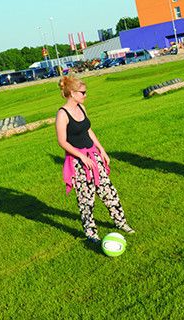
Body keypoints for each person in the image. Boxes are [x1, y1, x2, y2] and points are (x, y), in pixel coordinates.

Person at [56, 75, 134, 243]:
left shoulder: (82, 108)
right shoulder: (62, 114)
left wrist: (101, 149)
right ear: (72, 93)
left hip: (93, 156)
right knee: (86, 199)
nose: (85, 95)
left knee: (108, 191)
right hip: (78, 162)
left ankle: (121, 222)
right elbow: (62, 141)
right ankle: (91, 234)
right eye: (83, 92)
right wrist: (82, 157)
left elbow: (88, 130)